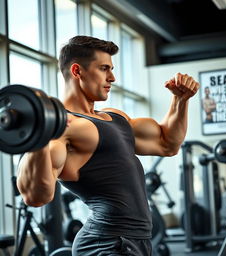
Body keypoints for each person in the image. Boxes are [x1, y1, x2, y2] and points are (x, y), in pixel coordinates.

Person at [16, 35, 199, 256]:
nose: (112, 77)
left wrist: (180, 101)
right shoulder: (62, 128)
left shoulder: (116, 117)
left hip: (135, 240)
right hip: (106, 244)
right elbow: (36, 196)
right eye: (104, 68)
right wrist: (40, 134)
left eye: (111, 69)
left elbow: (167, 143)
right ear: (77, 71)